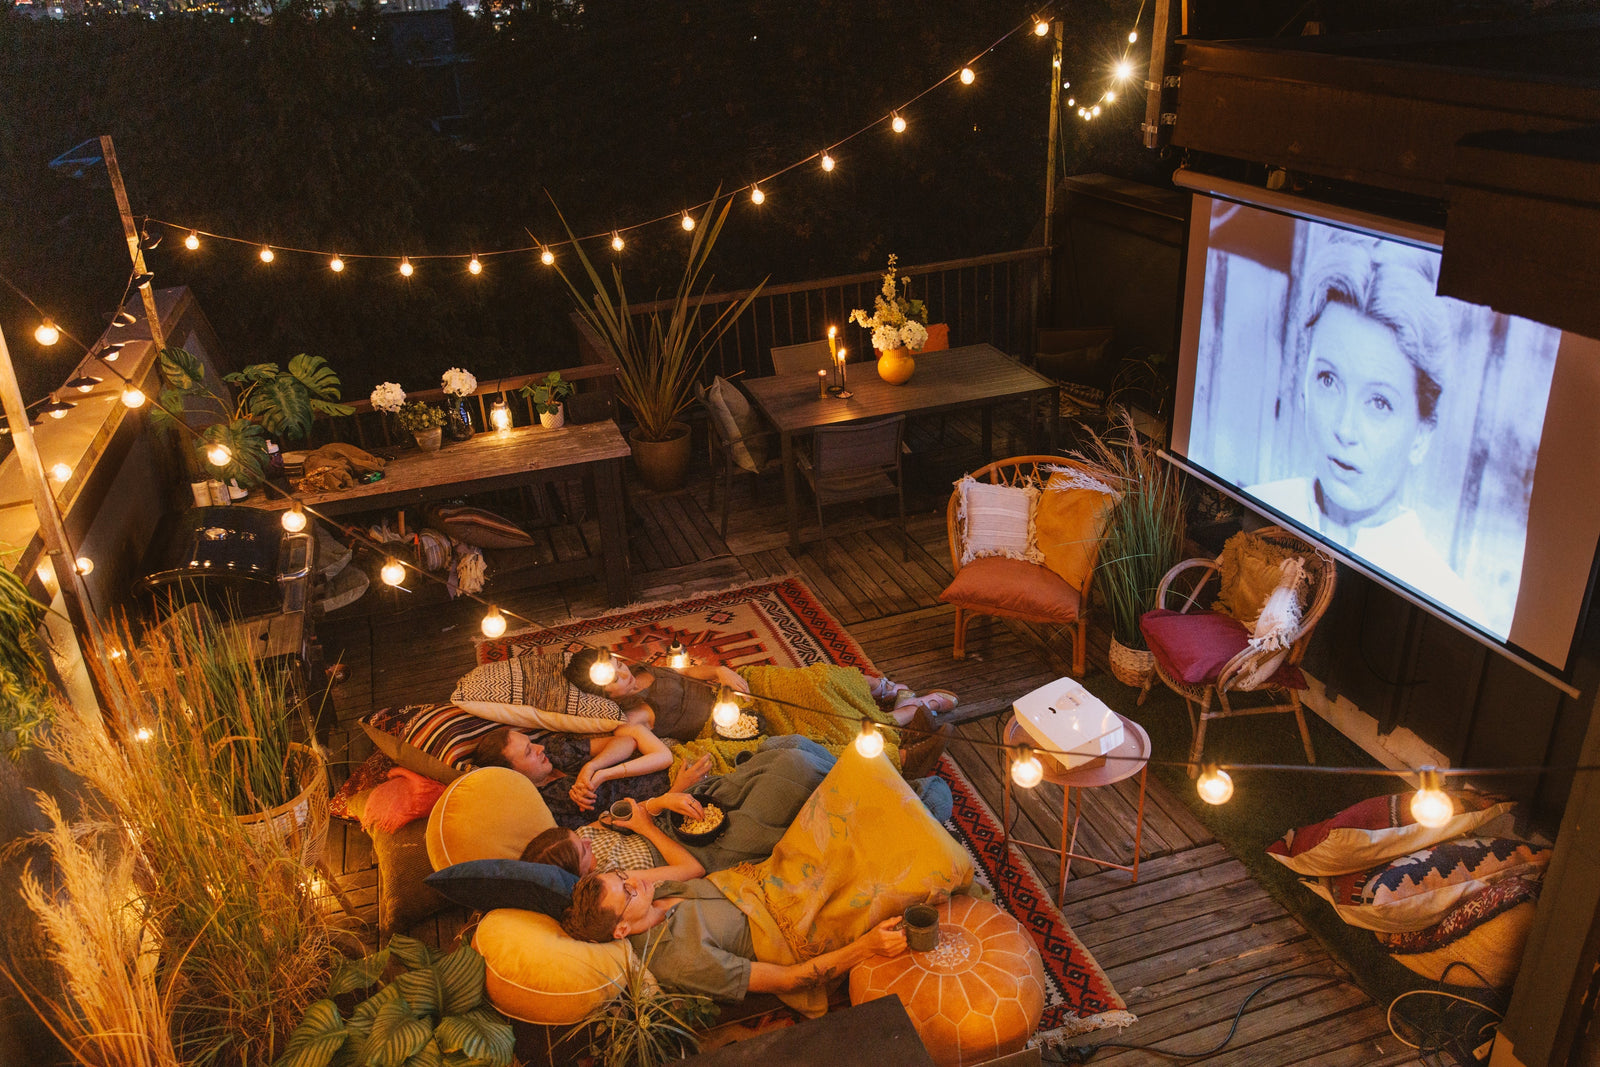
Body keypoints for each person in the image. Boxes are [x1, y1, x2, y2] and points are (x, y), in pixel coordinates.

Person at [1248, 232, 1480, 619]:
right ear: (1303, 382)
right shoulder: (1259, 507)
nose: (1345, 429)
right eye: (1328, 380)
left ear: (1423, 432)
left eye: (1379, 402)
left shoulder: (1449, 599)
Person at [523, 736, 953, 878]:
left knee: (783, 752)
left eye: (582, 843)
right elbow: (689, 872)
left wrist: (663, 801)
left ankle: (887, 770)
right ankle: (904, 788)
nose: (589, 848)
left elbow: (624, 816)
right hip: (705, 854)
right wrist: (652, 829)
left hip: (681, 817)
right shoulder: (611, 880)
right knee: (789, 777)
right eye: (583, 855)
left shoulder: (583, 836)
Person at [564, 648, 957, 741]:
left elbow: (703, 670)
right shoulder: (635, 713)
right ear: (603, 694)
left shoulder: (645, 668)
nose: (619, 672)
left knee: (819, 678)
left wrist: (724, 672)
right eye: (610, 678)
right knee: (833, 724)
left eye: (613, 662)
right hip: (734, 720)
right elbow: (619, 736)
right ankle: (914, 707)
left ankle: (888, 688)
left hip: (747, 685)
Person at [470, 722, 714, 828]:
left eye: (531, 743)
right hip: (673, 804)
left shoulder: (555, 751)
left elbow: (625, 741)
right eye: (528, 752)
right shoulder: (549, 809)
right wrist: (677, 791)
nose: (539, 748)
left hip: (671, 762)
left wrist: (593, 768)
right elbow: (620, 827)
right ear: (513, 776)